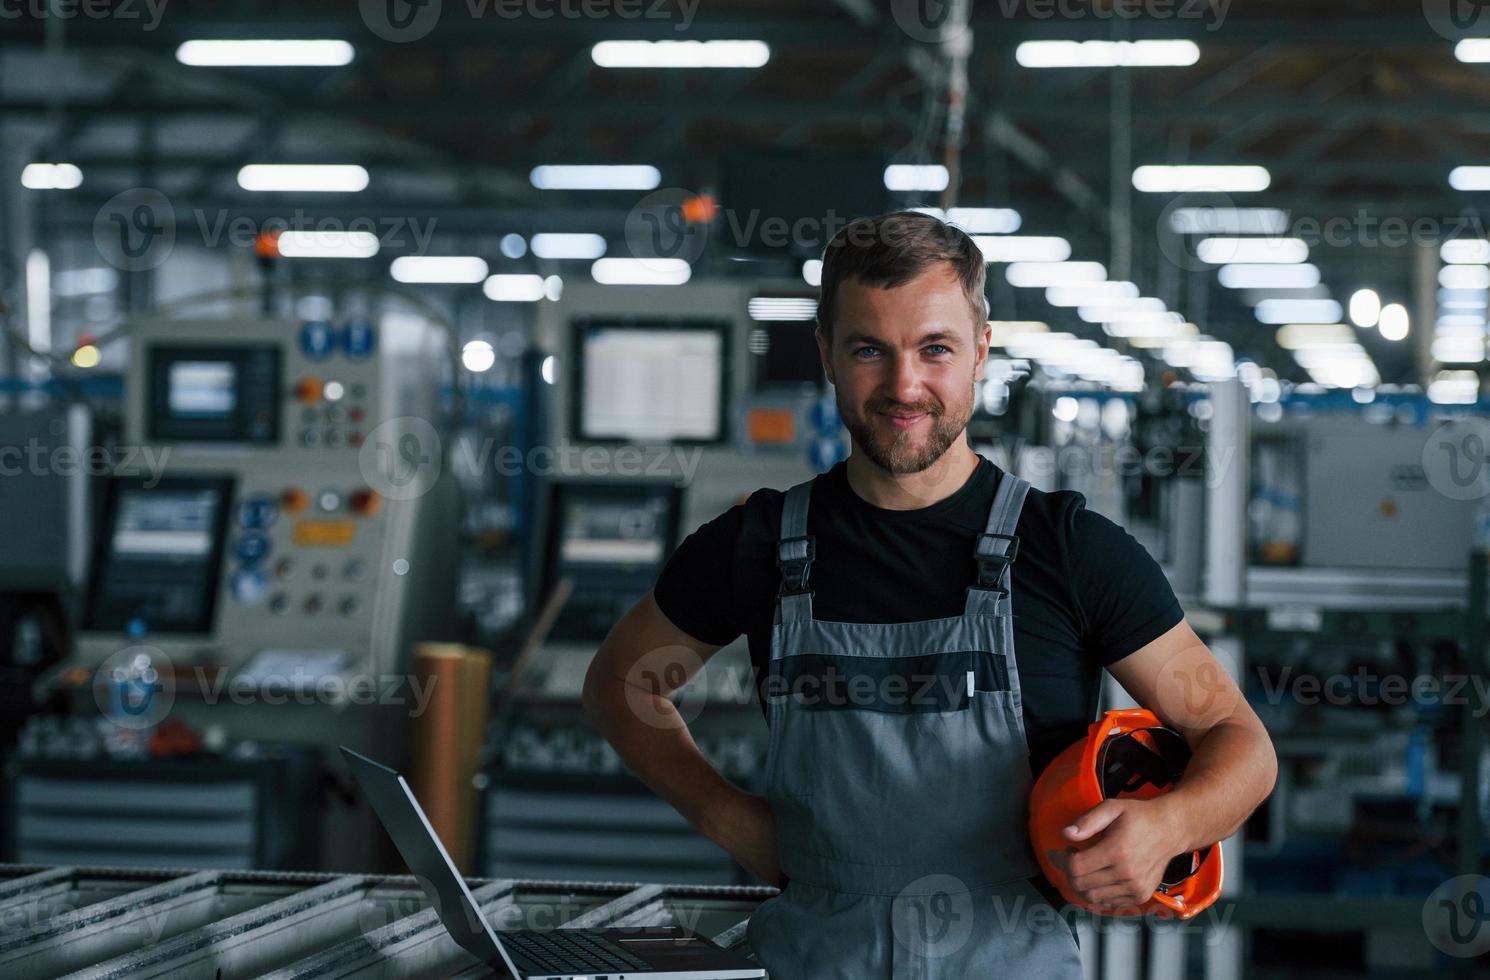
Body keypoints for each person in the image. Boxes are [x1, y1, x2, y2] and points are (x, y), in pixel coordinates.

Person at [583, 210, 1276, 978]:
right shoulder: (759, 547)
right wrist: (725, 815)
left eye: (935, 349)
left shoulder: (1068, 551)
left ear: (981, 351)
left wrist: (1167, 825)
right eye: (869, 350)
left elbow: (1238, 741)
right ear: (828, 356)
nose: (903, 385)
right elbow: (622, 683)